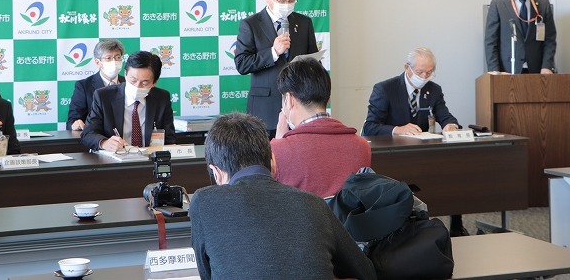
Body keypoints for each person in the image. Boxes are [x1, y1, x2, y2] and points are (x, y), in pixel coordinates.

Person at [189, 112, 376, 280]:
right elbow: (365, 271)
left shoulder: (204, 202)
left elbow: (207, 274)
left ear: (216, 173)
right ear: (273, 162)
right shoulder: (314, 204)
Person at [362, 47, 469, 237]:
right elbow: (370, 127)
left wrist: (450, 125)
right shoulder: (385, 89)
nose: (424, 76)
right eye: (420, 72)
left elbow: (445, 115)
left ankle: (456, 223)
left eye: (429, 72)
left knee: (452, 170)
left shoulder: (433, 90)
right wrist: (397, 129)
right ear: (407, 68)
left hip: (421, 153)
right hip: (392, 155)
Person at [271, 58, 371, 198]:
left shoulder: (277, 151)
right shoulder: (362, 146)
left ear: (290, 99)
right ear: (327, 99)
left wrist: (278, 142)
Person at [234, 0, 318, 133]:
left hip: (300, 107)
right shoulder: (250, 24)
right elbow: (242, 64)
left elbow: (314, 62)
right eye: (281, 0)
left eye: (292, 0)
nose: (287, 4)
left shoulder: (304, 22)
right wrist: (273, 52)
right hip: (265, 109)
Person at [80, 51, 176, 152]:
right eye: (133, 80)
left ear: (154, 82)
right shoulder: (104, 96)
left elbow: (169, 138)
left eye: (144, 83)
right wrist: (104, 143)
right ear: (125, 74)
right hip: (116, 157)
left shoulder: (162, 98)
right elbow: (87, 134)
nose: (137, 86)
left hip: (149, 157)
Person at [484, 0, 557, 74]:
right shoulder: (498, 5)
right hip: (507, 70)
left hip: (536, 69)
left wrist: (547, 66)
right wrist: (495, 71)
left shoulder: (543, 5)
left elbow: (550, 39)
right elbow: (491, 41)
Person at [67, 39, 126, 131]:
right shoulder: (84, 86)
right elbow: (73, 120)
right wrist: (76, 123)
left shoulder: (128, 83)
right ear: (98, 62)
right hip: (96, 136)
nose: (114, 61)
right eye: (109, 58)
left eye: (117, 57)